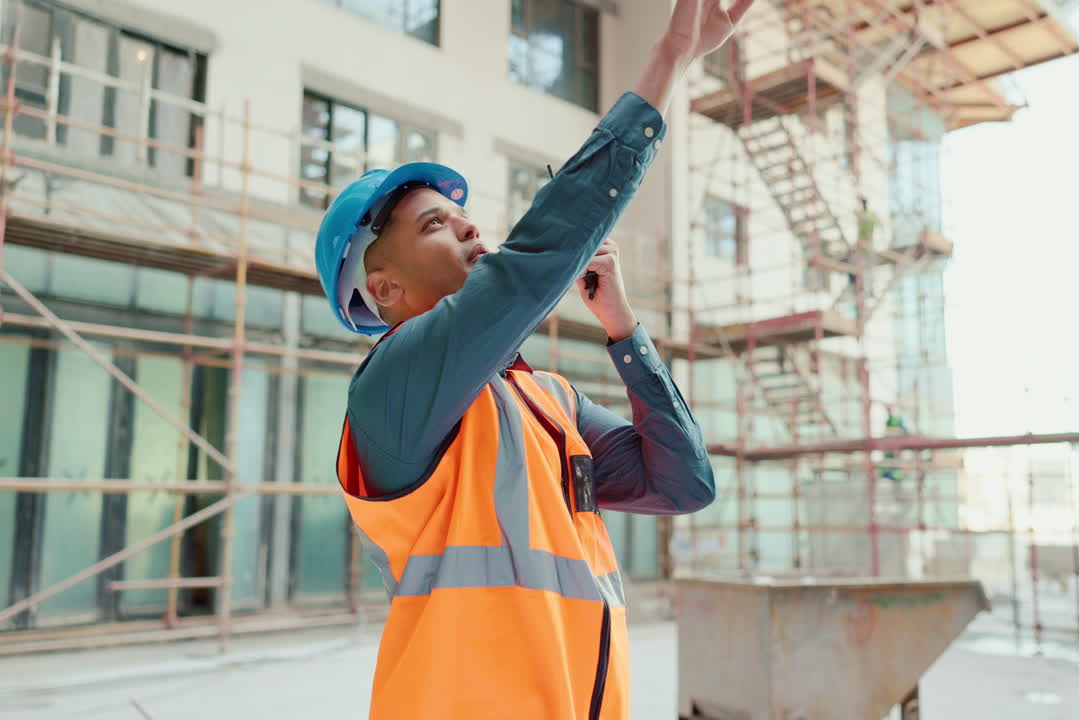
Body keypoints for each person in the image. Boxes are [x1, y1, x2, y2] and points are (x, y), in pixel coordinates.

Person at [311, 1, 755, 717]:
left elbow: (683, 483)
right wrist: (668, 57)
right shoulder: (391, 389)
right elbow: (534, 260)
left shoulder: (546, 401)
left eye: (461, 214)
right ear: (383, 286)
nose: (468, 224)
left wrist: (623, 328)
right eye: (434, 224)